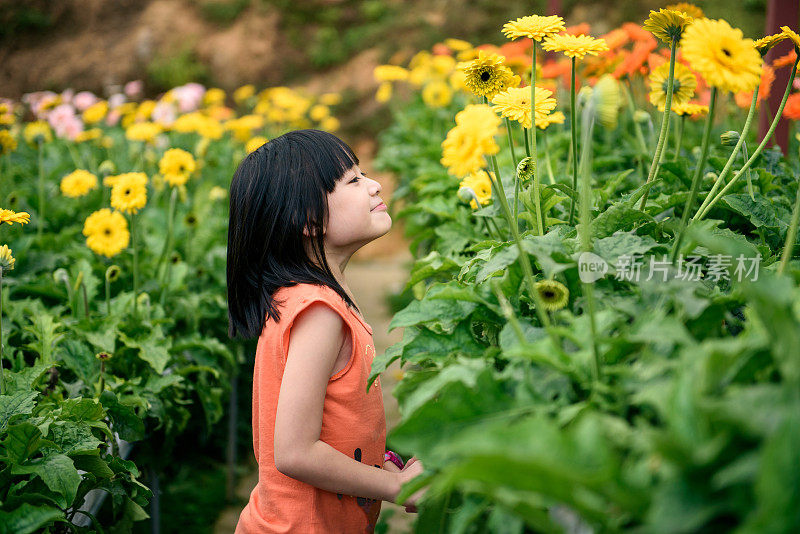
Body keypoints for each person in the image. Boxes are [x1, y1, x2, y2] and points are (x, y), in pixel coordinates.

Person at [228, 129, 426, 533]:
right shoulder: (320, 311)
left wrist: (376, 461)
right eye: (353, 180)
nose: (373, 186)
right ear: (309, 220)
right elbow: (295, 452)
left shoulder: (303, 297)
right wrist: (397, 486)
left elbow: (328, 422)